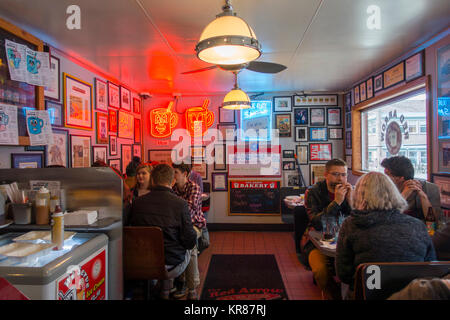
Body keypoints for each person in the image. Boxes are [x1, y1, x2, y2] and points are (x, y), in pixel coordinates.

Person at [336, 172, 436, 299]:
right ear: (394, 194)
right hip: (411, 294)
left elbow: (343, 274)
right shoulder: (418, 226)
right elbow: (431, 266)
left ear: (359, 196)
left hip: (369, 294)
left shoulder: (351, 225)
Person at [127, 164, 197, 299]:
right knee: (192, 246)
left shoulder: (137, 203)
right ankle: (189, 290)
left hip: (141, 262)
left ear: (152, 180)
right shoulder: (180, 204)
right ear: (172, 181)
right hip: (171, 265)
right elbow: (189, 241)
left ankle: (165, 290)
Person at [302, 158, 353, 300]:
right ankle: (334, 295)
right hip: (316, 241)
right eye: (336, 174)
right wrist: (336, 202)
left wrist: (351, 202)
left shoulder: (350, 191)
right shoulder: (313, 192)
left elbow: (358, 219)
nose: (340, 179)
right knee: (320, 271)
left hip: (346, 241)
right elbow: (318, 222)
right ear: (326, 174)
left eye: (343, 175)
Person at [171, 162, 206, 300]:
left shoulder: (194, 187)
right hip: (178, 225)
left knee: (188, 243)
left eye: (176, 173)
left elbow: (189, 212)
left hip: (194, 225)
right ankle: (180, 282)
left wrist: (175, 205)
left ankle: (190, 286)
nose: (173, 176)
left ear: (185, 174)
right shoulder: (173, 189)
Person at [381, 156, 441, 221]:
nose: (384, 177)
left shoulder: (430, 189)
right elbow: (385, 219)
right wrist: (403, 196)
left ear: (401, 178)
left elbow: (432, 220)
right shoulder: (383, 189)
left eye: (387, 175)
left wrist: (423, 197)